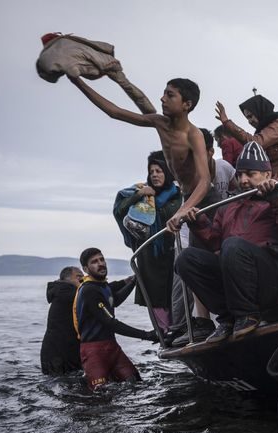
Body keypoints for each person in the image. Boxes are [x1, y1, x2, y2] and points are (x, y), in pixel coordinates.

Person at [174, 142, 278, 343]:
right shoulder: (229, 204)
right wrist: (197, 222)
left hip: (274, 276)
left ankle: (247, 315)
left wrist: (276, 197)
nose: (243, 180)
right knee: (186, 259)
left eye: (250, 174)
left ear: (267, 174)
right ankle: (228, 319)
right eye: (239, 175)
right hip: (236, 276)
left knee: (233, 245)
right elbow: (215, 242)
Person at [68, 76, 211, 234]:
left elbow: (205, 181)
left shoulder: (193, 135)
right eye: (164, 94)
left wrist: (182, 210)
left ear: (187, 104)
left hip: (202, 198)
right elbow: (115, 112)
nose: (162, 99)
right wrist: (77, 81)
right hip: (185, 197)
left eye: (170, 95)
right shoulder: (160, 123)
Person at [113, 151, 181, 332]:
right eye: (152, 172)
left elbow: (171, 214)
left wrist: (155, 205)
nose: (155, 175)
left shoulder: (177, 195)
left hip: (170, 251)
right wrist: (139, 195)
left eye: (159, 170)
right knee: (155, 295)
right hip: (149, 255)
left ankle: (180, 327)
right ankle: (165, 332)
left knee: (174, 292)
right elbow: (119, 211)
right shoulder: (141, 192)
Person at [74, 248, 155, 390]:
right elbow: (111, 323)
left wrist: (134, 281)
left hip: (112, 348)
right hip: (94, 352)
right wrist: (147, 335)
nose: (100, 264)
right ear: (86, 269)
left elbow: (114, 300)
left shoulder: (101, 286)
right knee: (101, 395)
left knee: (136, 384)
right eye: (94, 262)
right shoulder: (89, 290)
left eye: (101, 259)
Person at [215, 95, 278, 202]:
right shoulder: (270, 128)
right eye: (247, 118)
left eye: (251, 116)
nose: (250, 121)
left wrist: (227, 123)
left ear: (259, 111)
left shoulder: (277, 125)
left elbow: (255, 142)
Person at [40, 266, 84, 375]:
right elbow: (97, 295)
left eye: (83, 277)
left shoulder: (64, 292)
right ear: (66, 279)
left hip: (58, 351)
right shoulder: (67, 293)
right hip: (57, 354)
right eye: (79, 277)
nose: (83, 280)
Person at [201, 128, 237, 201]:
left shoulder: (224, 166)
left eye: (198, 153)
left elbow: (239, 190)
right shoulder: (190, 177)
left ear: (211, 151)